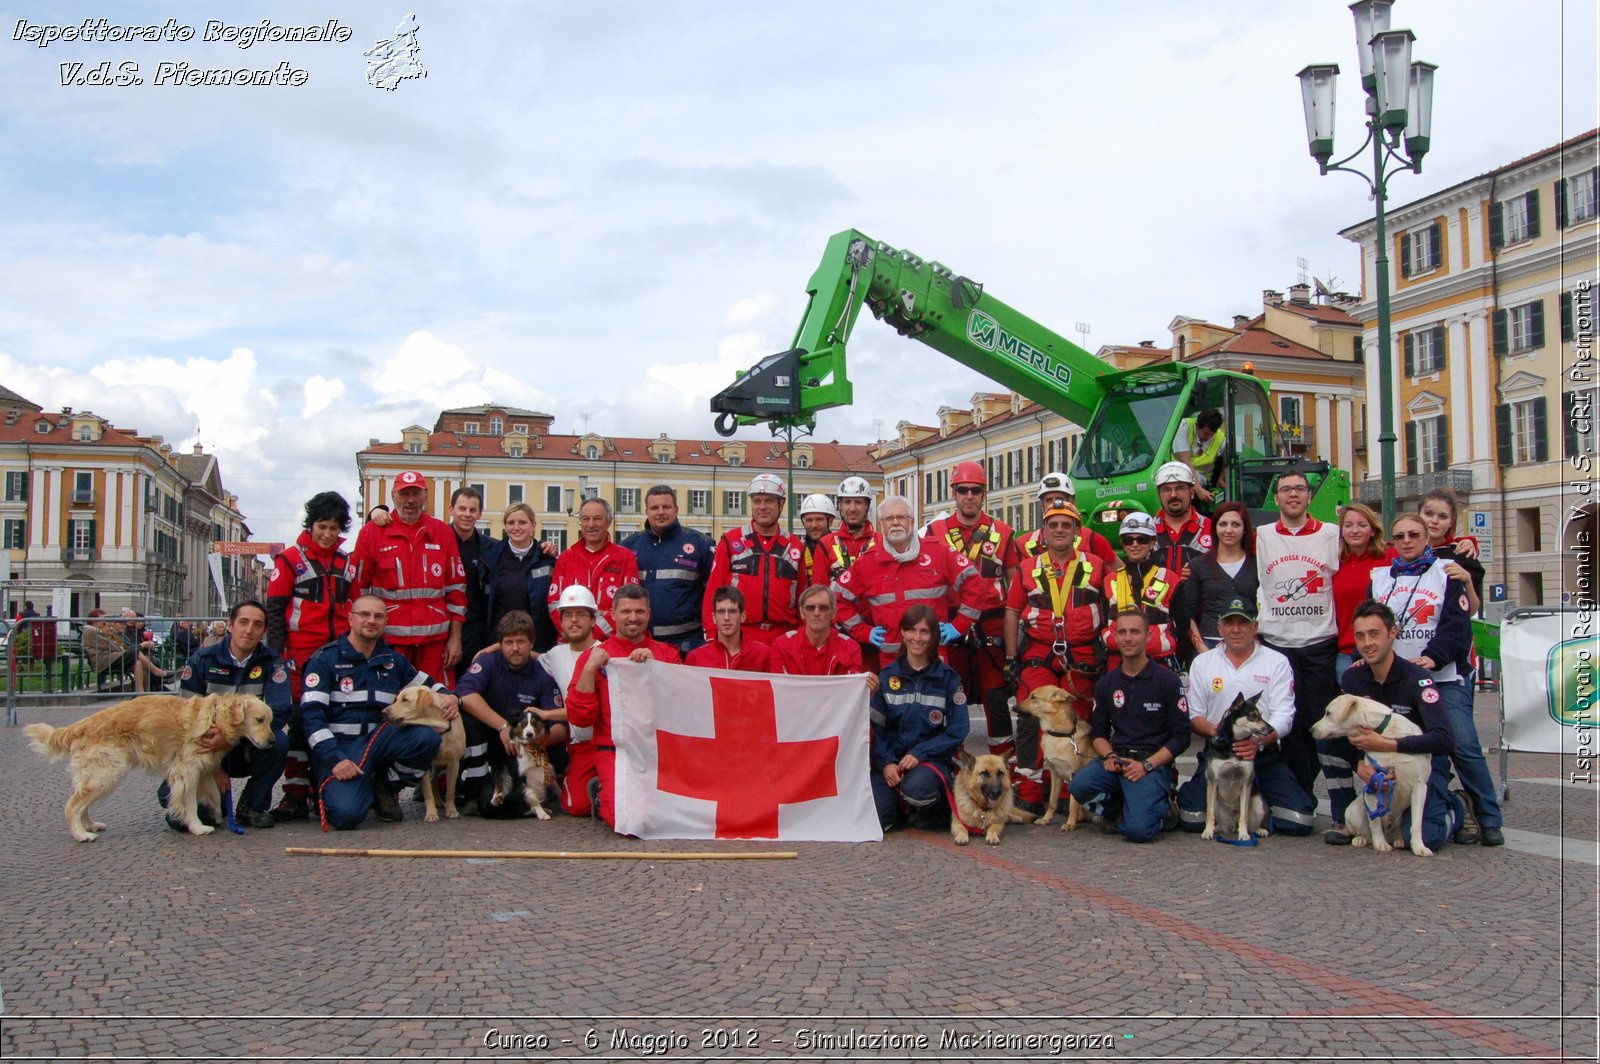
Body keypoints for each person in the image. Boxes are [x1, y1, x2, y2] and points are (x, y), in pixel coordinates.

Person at [1369, 513, 1503, 847]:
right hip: (1401, 682)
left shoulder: (1448, 573)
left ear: (1428, 537)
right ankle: (1440, 807)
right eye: (1399, 536)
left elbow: (1456, 624)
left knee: (1464, 745)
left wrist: (1433, 656)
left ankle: (1488, 816)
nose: (1407, 541)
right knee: (1428, 755)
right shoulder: (1382, 577)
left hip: (1442, 677)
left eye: (1414, 534)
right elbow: (1373, 624)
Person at [300, 593, 459, 829]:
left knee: (426, 738)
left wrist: (452, 697)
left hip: (380, 742)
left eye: (378, 616)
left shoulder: (393, 660)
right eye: (364, 614)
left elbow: (432, 685)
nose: (371, 621)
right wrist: (334, 759)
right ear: (351, 618)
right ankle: (334, 788)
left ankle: (385, 786)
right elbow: (311, 718)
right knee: (347, 816)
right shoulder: (325, 660)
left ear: (385, 622)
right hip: (342, 748)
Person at [1321, 601, 1465, 851]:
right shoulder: (1353, 677)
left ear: (1393, 633)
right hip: (1381, 765)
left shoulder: (1417, 679)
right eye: (1360, 636)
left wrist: (1389, 744)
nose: (1367, 643)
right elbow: (1351, 734)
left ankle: (1457, 807)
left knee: (1425, 839)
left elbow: (1444, 739)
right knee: (1325, 737)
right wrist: (1360, 765)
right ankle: (1343, 817)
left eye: (1374, 634)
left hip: (1421, 765)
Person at [1175, 596, 1316, 836]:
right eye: (1229, 623)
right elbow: (1194, 715)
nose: (1236, 629)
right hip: (1218, 753)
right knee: (1191, 819)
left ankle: (1259, 803)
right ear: (1220, 627)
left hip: (1263, 755)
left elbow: (1285, 716)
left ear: (1255, 626)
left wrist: (1259, 742)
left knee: (1299, 822)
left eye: (1243, 623)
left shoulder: (1277, 662)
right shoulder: (1202, 663)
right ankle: (1200, 795)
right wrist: (1220, 734)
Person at [1004, 501, 1112, 813]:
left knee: (1077, 717)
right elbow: (1011, 611)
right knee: (1031, 712)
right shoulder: (1028, 567)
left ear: (1077, 531)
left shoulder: (1097, 564)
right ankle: (1030, 789)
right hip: (1039, 652)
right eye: (1054, 525)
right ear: (1044, 531)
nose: (1060, 530)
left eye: (1067, 525)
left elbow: (1116, 599)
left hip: (1081, 654)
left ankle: (1072, 792)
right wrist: (1011, 657)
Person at [265, 490, 358, 821]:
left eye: (334, 528)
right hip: (300, 654)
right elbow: (275, 611)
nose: (328, 534)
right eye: (322, 527)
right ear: (311, 525)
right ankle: (294, 791)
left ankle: (323, 784)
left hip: (337, 654)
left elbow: (356, 608)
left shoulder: (346, 563)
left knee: (333, 720)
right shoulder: (289, 560)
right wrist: (276, 656)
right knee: (300, 721)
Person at [924, 462, 1021, 761]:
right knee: (949, 692)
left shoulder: (1003, 532)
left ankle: (1004, 763)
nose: (969, 496)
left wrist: (1016, 638)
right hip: (950, 624)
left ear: (983, 493)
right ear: (953, 492)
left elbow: (1016, 584)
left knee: (994, 694)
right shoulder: (934, 531)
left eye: (975, 490)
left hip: (990, 623)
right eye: (962, 490)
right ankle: (952, 760)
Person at [1066, 609, 1189, 843]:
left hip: (1152, 764)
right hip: (1119, 762)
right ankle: (1120, 807)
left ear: (1148, 637)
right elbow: (1099, 734)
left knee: (1138, 832)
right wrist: (1109, 755)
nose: (1128, 638)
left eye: (1135, 632)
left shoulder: (1168, 681)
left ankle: (1161, 811)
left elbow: (1182, 737)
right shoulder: (1107, 683)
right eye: (1122, 632)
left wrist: (1146, 765)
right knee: (1079, 784)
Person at [567, 583, 683, 828]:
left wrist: (657, 671)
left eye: (640, 612)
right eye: (626, 611)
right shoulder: (593, 657)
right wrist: (589, 669)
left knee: (669, 818)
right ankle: (601, 794)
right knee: (627, 821)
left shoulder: (666, 655)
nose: (633, 618)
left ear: (649, 614)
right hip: (615, 751)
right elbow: (580, 718)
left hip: (657, 752)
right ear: (613, 614)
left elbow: (680, 710)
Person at [1254, 469, 1341, 794]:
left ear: (1308, 496)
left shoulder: (1331, 534)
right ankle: (1286, 793)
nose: (1293, 495)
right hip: (1277, 644)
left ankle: (1302, 791)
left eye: (1299, 489)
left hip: (1318, 644)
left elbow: (1370, 553)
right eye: (1286, 489)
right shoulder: (1261, 535)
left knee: (1312, 721)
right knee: (1277, 722)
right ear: (1276, 498)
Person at [170, 600, 292, 830]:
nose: (249, 630)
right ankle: (213, 800)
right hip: (204, 745)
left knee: (278, 743)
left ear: (264, 631)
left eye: (257, 625)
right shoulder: (202, 660)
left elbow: (280, 712)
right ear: (230, 625)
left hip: (246, 747)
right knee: (179, 822)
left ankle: (253, 805)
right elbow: (184, 715)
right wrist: (216, 768)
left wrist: (230, 738)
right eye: (243, 622)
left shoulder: (272, 663)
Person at [834, 495, 995, 666]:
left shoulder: (938, 552)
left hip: (933, 657)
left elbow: (976, 585)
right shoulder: (868, 562)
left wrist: (959, 625)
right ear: (882, 525)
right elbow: (839, 597)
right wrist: (863, 632)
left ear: (912, 522)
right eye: (889, 518)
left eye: (901, 517)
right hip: (892, 660)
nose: (895, 522)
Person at [351, 470, 467, 682]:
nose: (411, 500)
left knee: (437, 704)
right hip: (389, 642)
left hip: (434, 645)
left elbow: (456, 591)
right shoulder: (372, 533)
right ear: (393, 496)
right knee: (391, 704)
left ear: (425, 496)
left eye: (416, 493)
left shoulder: (442, 532)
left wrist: (455, 639)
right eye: (404, 494)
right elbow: (358, 589)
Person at [869, 604, 970, 833]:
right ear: (902, 633)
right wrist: (885, 763)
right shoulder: (886, 677)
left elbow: (958, 729)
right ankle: (901, 808)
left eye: (924, 632)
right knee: (879, 820)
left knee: (919, 790)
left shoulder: (948, 679)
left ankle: (930, 808)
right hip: (892, 762)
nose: (917, 638)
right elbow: (875, 730)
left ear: (934, 636)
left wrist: (921, 753)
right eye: (912, 630)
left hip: (929, 761)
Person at [454, 609, 565, 807]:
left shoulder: (544, 672)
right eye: (508, 642)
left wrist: (542, 740)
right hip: (494, 738)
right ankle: (474, 790)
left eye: (521, 642)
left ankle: (545, 790)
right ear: (500, 645)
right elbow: (464, 694)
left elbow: (560, 726)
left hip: (529, 747)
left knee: (558, 750)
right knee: (466, 720)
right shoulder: (487, 661)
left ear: (531, 643)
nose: (515, 648)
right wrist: (503, 727)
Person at [704, 474, 805, 645]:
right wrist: (712, 634)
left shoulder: (795, 546)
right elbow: (713, 591)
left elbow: (803, 597)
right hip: (739, 637)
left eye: (769, 501)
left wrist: (802, 636)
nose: (762, 507)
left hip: (784, 638)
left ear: (781, 504)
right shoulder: (730, 541)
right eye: (757, 501)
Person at [622, 485, 714, 656]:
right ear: (646, 511)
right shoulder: (629, 546)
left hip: (686, 645)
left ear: (676, 509)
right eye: (655, 508)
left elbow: (715, 595)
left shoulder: (701, 544)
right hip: (639, 643)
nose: (660, 512)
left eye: (666, 507)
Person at [539, 586, 604, 817]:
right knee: (575, 806)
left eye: (580, 614)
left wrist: (547, 714)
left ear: (593, 620)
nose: (573, 621)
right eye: (567, 615)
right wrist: (495, 647)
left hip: (609, 743)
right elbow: (527, 656)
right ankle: (599, 788)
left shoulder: (606, 653)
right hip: (580, 745)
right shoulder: (555, 655)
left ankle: (605, 789)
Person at [548, 497, 640, 642]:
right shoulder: (566, 557)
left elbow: (629, 604)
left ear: (608, 522)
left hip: (611, 643)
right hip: (570, 642)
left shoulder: (624, 557)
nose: (590, 524)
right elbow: (554, 604)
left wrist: (593, 634)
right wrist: (573, 633)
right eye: (585, 519)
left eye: (597, 519)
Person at [1104, 512, 1184, 670]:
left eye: (1141, 539)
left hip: (1159, 664)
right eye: (1128, 540)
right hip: (1118, 664)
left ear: (1152, 542)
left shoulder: (1169, 578)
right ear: (1123, 544)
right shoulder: (1110, 580)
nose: (1135, 544)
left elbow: (1182, 624)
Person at [1176, 501, 1258, 654]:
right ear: (1214, 528)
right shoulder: (1198, 565)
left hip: (1250, 645)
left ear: (1245, 529)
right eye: (1223, 524)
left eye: (1235, 524)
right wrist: (1201, 648)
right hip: (1209, 643)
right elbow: (1188, 614)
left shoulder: (1257, 564)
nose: (1228, 530)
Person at [480, 502, 558, 652]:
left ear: (533, 525)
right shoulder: (490, 560)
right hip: (500, 642)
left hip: (538, 642)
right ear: (505, 527)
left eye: (522, 522)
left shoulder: (547, 559)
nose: (516, 528)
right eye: (511, 523)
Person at [773, 585, 874, 686]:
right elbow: (777, 689)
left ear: (833, 612)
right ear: (802, 612)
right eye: (810, 608)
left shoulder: (850, 648)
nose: (817, 613)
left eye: (823, 608)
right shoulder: (782, 646)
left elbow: (853, 691)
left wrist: (869, 689)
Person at [1332, 502, 1391, 675]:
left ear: (1373, 530)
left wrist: (1466, 542)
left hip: (1384, 651)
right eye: (1348, 525)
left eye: (1362, 525)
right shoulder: (1335, 564)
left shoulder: (1390, 558)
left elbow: (1425, 553)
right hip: (1347, 653)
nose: (1354, 530)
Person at [1016, 473, 1120, 569]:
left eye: (1059, 499)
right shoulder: (1023, 544)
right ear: (1041, 506)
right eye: (1048, 500)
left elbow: (1120, 574)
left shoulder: (1093, 540)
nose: (1054, 504)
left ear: (1072, 502)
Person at [686, 587, 778, 672]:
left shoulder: (763, 655)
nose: (726, 617)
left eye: (732, 611)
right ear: (714, 618)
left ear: (743, 616)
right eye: (721, 612)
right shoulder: (696, 658)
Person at [1151, 462, 1213, 580]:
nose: (1173, 495)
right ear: (1159, 495)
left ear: (1191, 493)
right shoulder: (1147, 530)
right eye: (1166, 490)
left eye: (1180, 488)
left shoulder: (1211, 529)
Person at [812, 476, 878, 586]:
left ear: (867, 505)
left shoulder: (881, 542)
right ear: (840, 505)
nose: (852, 508)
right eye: (847, 502)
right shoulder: (825, 544)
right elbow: (818, 591)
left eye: (858, 502)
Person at [1172, 407, 1225, 505]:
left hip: (1204, 478)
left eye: (1211, 434)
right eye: (1205, 433)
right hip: (1181, 471)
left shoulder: (1221, 438)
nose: (1207, 437)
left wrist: (1221, 478)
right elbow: (1186, 462)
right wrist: (1198, 489)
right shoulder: (1185, 426)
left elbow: (1229, 460)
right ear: (1197, 425)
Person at [797, 493, 838, 586]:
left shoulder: (841, 551)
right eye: (809, 520)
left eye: (819, 519)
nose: (814, 525)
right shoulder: (798, 552)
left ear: (830, 521)